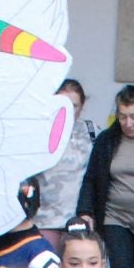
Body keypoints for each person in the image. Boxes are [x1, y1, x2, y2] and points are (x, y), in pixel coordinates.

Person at [75, 85, 134, 268]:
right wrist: (85, 211)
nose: (128, 123)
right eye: (123, 117)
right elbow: (91, 178)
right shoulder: (107, 140)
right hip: (115, 218)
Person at [36, 80, 97, 247]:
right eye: (62, 104)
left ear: (82, 106)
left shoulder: (91, 131)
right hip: (43, 218)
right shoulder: (38, 132)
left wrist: (88, 211)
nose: (68, 110)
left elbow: (95, 176)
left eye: (74, 106)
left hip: (78, 219)